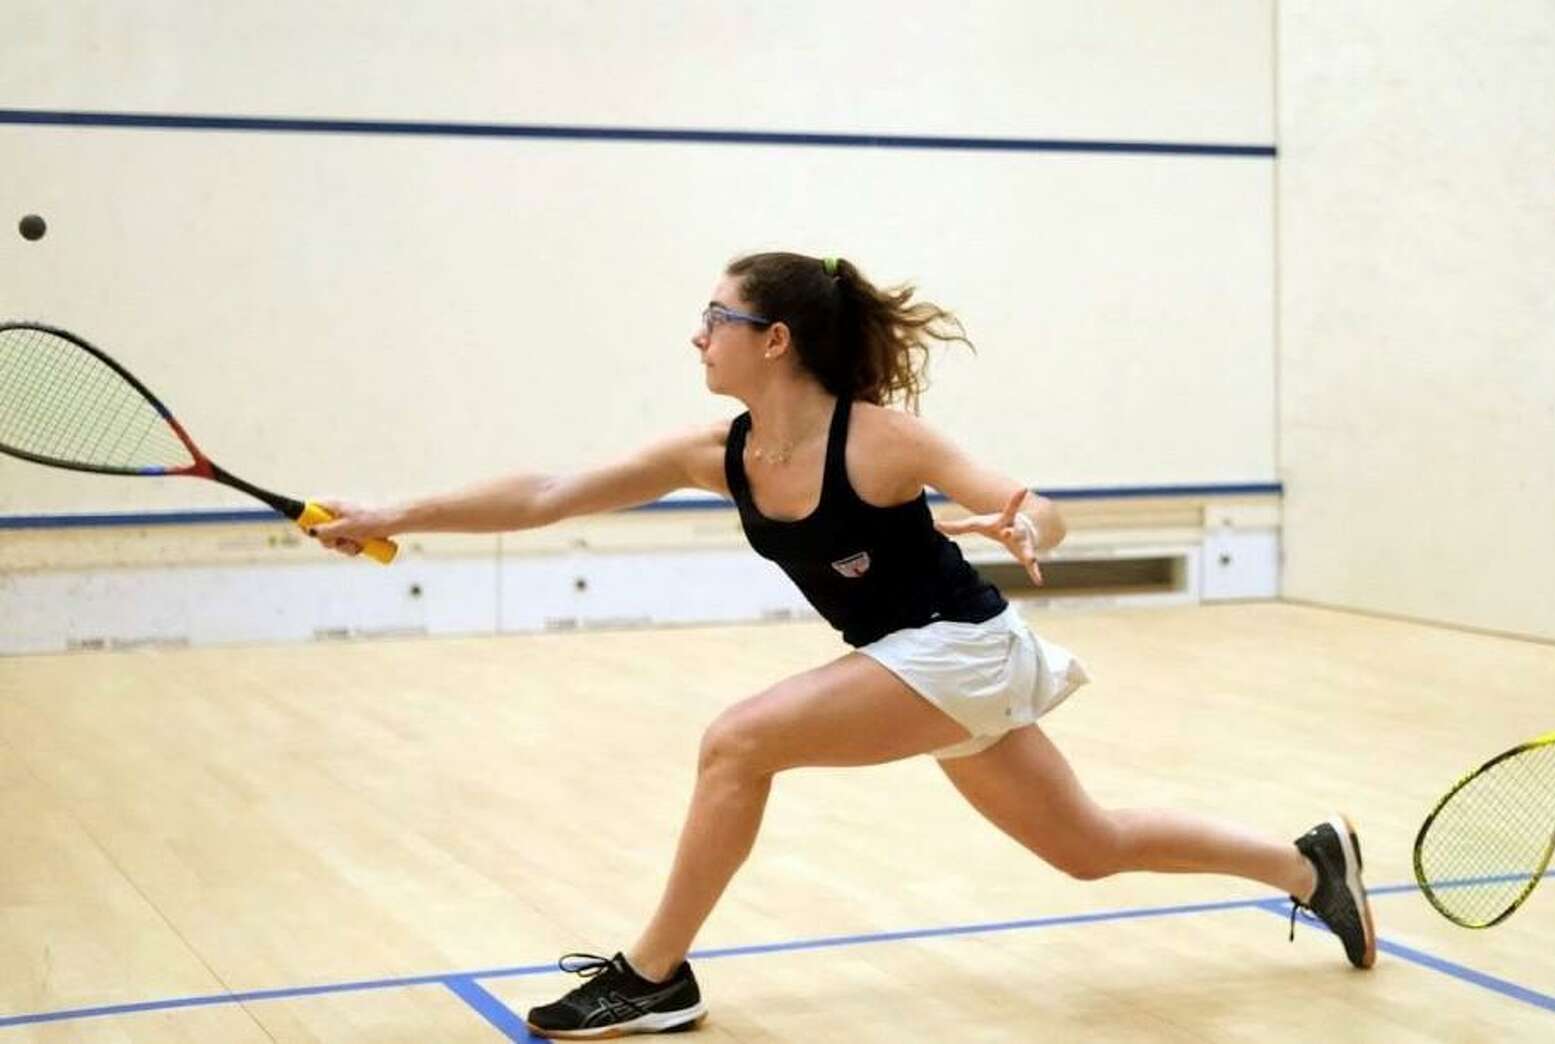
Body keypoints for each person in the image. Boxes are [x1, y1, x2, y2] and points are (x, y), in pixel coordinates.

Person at [311, 251, 1376, 1038]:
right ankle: (1307, 864)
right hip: (926, 663)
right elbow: (547, 492)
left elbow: (1029, 503)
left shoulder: (879, 439)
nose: (697, 335)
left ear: (773, 339)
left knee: (737, 742)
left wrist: (1028, 528)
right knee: (1086, 847)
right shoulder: (718, 452)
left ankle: (654, 974)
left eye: (715, 317)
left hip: (957, 647)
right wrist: (392, 512)